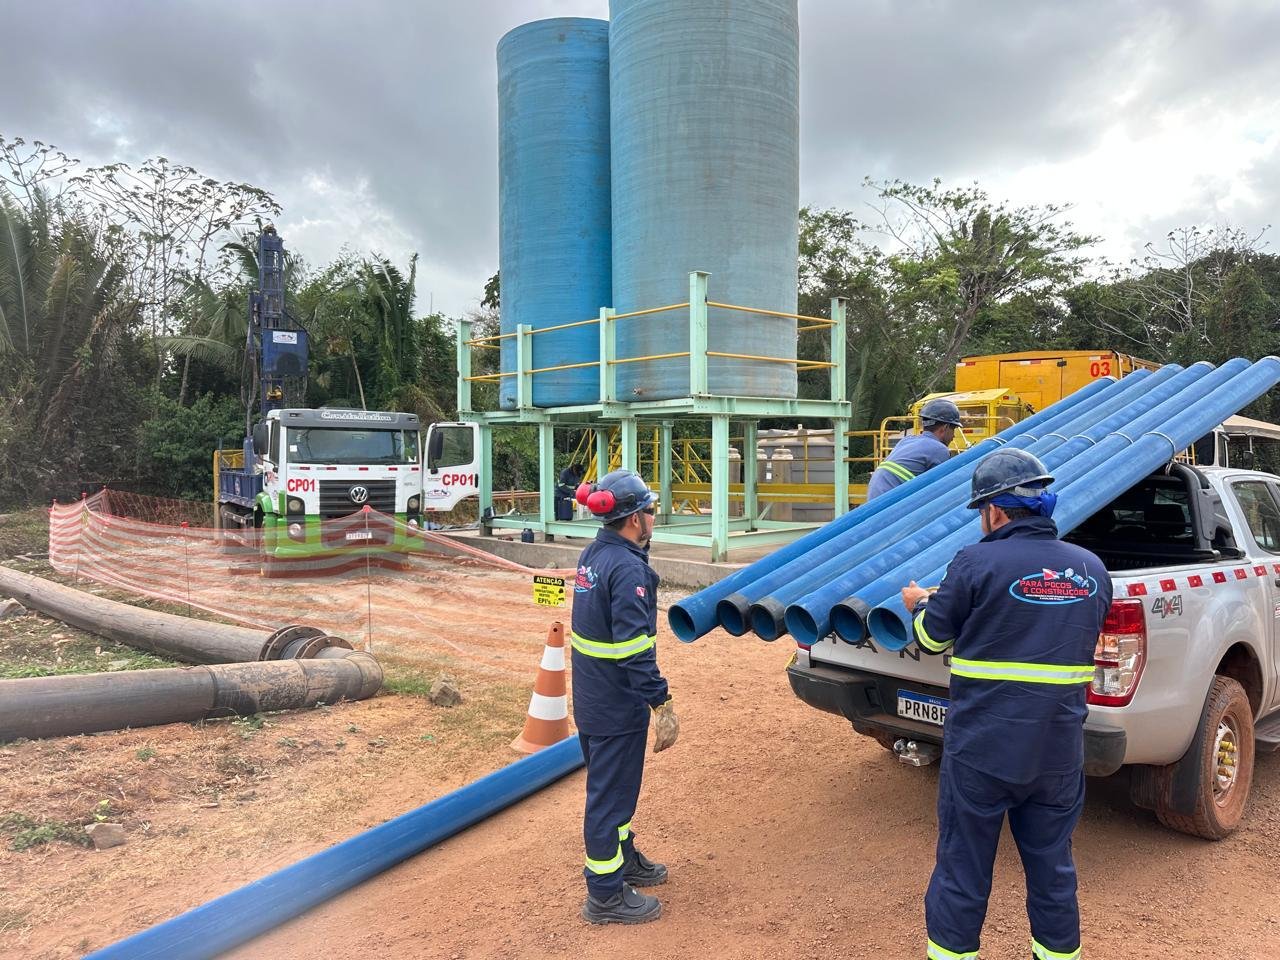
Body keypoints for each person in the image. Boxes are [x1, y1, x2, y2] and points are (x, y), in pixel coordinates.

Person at [900, 448, 1111, 960]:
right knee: (1052, 868)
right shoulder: (1091, 568)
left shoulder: (975, 562)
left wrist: (921, 603)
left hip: (982, 751)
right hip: (1057, 752)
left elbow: (931, 639)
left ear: (994, 511)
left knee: (963, 867)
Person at [570, 468, 680, 925]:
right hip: (617, 706)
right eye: (651, 509)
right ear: (635, 519)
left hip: (595, 698)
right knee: (609, 798)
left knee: (617, 793)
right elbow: (635, 650)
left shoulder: (595, 554)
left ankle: (624, 858)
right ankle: (605, 896)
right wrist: (662, 702)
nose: (655, 517)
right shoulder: (629, 569)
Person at [866, 397, 963, 500]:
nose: (953, 436)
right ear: (945, 428)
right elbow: (942, 490)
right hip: (891, 506)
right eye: (954, 429)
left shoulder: (907, 440)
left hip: (874, 500)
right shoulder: (939, 449)